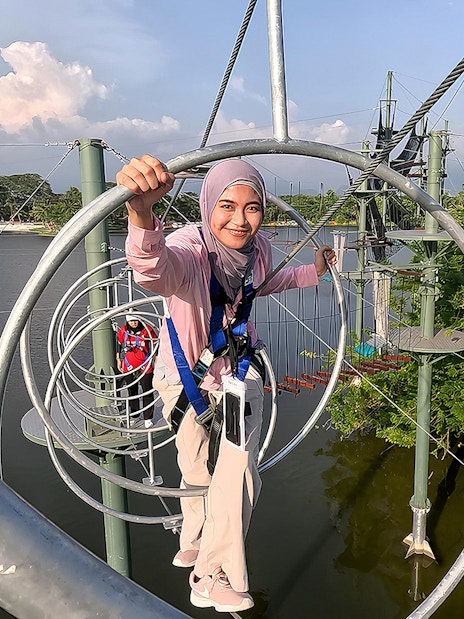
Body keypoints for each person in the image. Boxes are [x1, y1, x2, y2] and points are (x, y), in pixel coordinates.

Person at [116, 154, 336, 613]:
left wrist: (313, 271)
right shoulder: (189, 249)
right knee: (196, 470)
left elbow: (266, 284)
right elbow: (153, 269)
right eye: (227, 206)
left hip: (237, 375)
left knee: (238, 475)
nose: (240, 219)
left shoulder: (259, 253)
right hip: (184, 378)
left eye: (252, 207)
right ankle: (194, 539)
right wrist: (141, 214)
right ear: (207, 205)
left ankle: (211, 573)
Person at [116, 314, 157, 428]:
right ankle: (135, 415)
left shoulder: (147, 330)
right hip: (129, 365)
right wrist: (118, 359)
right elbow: (118, 344)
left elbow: (156, 342)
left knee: (147, 391)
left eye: (135, 320)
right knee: (132, 391)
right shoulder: (124, 331)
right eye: (131, 321)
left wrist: (156, 358)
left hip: (145, 365)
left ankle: (147, 417)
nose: (134, 323)